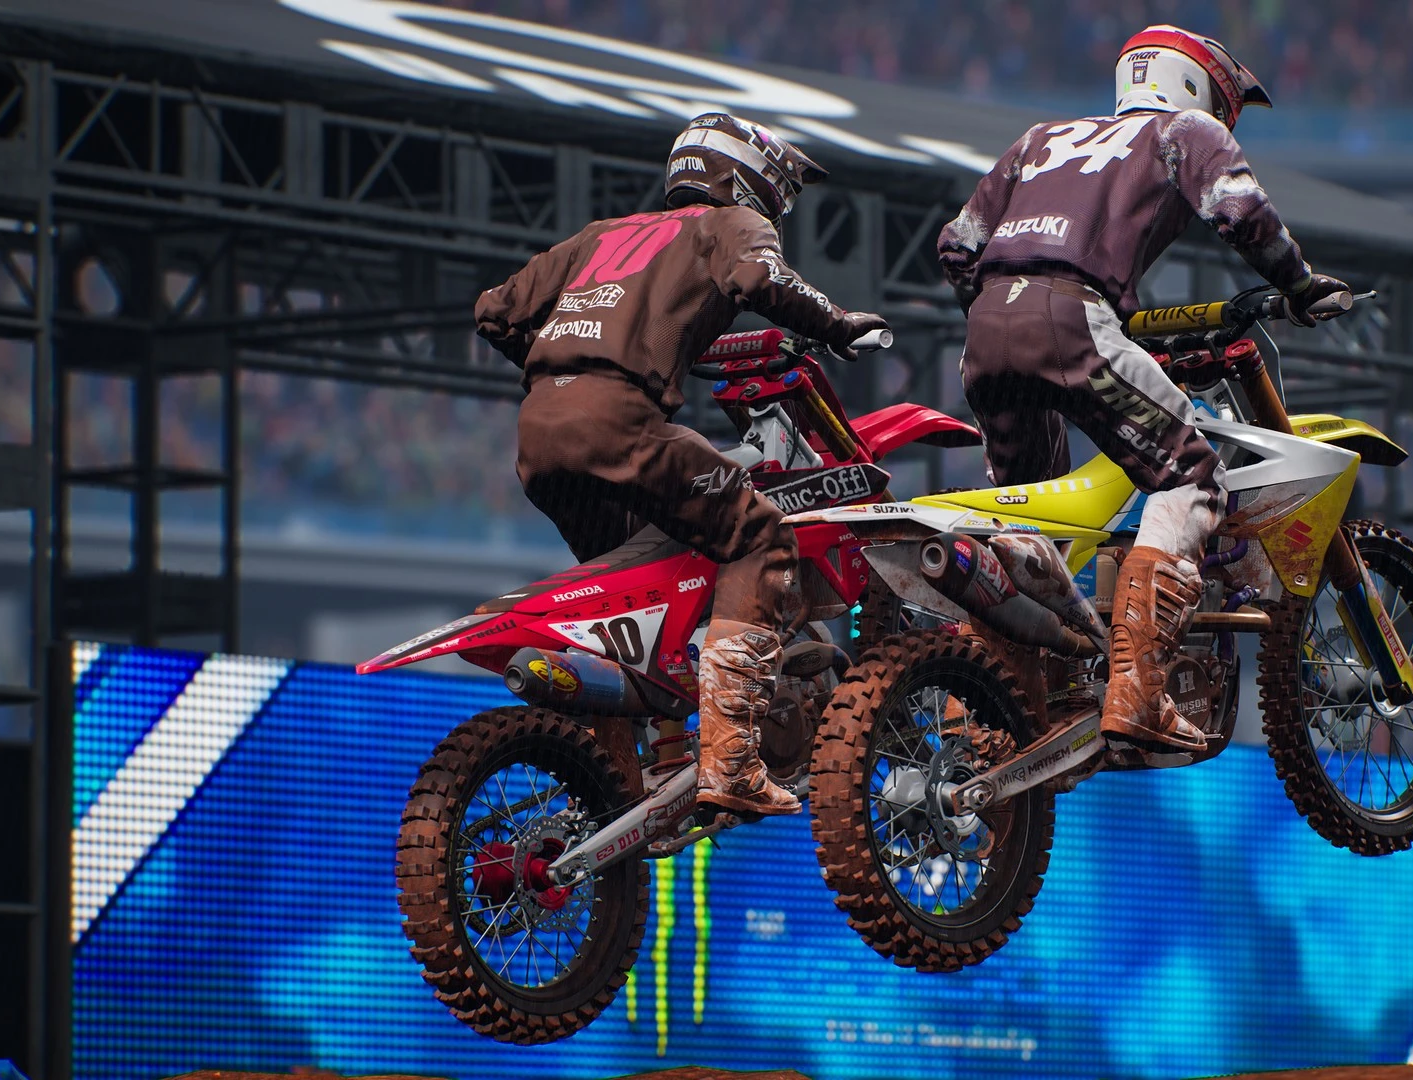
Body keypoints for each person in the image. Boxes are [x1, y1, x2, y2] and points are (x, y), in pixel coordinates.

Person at [936, 26, 1347, 754]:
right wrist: (1300, 284)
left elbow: (957, 244)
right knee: (1193, 475)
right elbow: (1240, 210)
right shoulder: (1184, 130)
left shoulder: (1040, 137)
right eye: (1226, 105)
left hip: (987, 330)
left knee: (1032, 516)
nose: (1226, 119)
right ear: (1197, 86)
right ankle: (1140, 688)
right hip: (1073, 318)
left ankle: (987, 704)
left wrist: (1014, 305)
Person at [475, 113, 885, 817]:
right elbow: (761, 278)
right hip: (619, 424)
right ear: (746, 179)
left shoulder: (602, 234)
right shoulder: (727, 224)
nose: (778, 209)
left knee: (638, 592)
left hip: (540, 433)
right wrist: (839, 325)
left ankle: (622, 782)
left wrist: (566, 369)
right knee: (760, 540)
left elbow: (494, 312)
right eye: (778, 192)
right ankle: (732, 761)